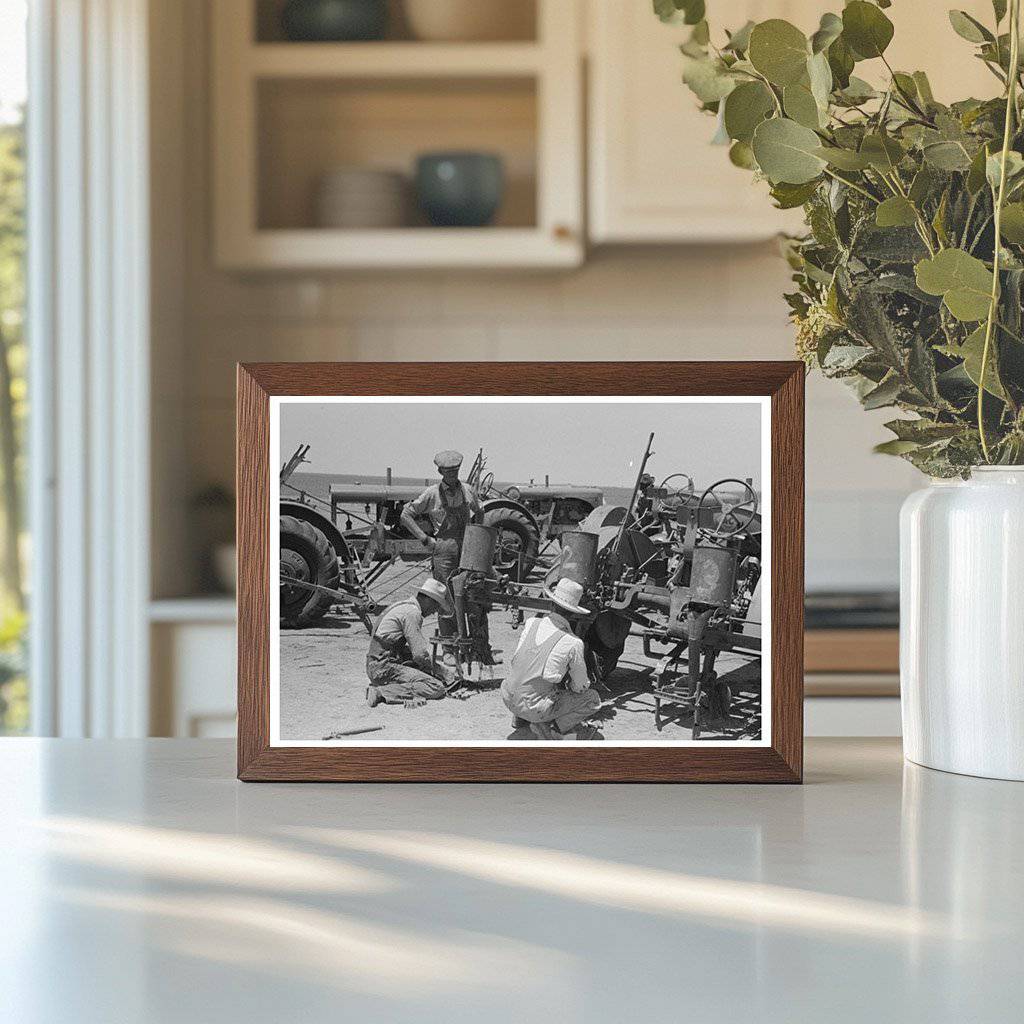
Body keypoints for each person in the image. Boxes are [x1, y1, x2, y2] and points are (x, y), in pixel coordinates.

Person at [400, 449, 490, 657]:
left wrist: (477, 536)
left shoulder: (468, 491)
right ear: (440, 471)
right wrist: (424, 539)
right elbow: (406, 515)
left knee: (471, 594)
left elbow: (481, 511)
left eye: (455, 471)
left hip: (468, 547)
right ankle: (450, 649)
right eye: (448, 471)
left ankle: (475, 648)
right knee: (446, 597)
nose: (452, 475)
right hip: (444, 550)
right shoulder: (431, 494)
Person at [501, 577, 602, 740]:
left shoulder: (531, 623)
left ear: (552, 603)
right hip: (534, 707)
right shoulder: (573, 642)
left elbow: (518, 661)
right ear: (574, 614)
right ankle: (553, 729)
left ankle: (520, 718)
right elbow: (580, 687)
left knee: (530, 677)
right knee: (592, 699)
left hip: (507, 695)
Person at [365, 578, 453, 707]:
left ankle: (389, 686)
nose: (435, 611)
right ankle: (381, 692)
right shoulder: (412, 613)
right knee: (435, 686)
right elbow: (419, 654)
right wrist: (441, 670)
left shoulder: (404, 606)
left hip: (377, 663)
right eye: (436, 605)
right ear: (428, 599)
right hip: (383, 668)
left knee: (425, 671)